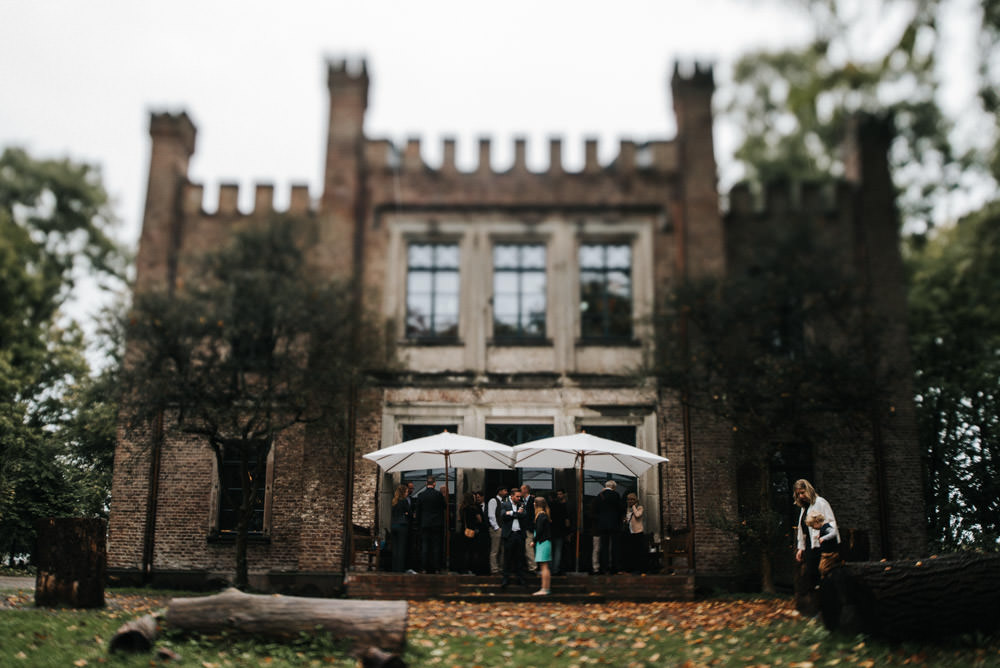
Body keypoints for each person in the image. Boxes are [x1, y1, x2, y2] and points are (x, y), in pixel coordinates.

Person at [794, 479, 840, 590]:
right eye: (798, 493)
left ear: (809, 490)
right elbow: (802, 529)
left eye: (803, 492)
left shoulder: (820, 502)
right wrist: (800, 548)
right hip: (810, 547)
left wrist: (825, 538)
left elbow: (831, 523)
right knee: (812, 577)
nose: (801, 496)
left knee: (825, 576)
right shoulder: (804, 508)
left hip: (823, 546)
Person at [592, 480, 624, 574]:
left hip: (602, 525)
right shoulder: (616, 495)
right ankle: (615, 567)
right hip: (614, 524)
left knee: (604, 546)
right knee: (615, 546)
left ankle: (604, 567)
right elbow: (620, 509)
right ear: (613, 487)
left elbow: (595, 510)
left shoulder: (599, 496)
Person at [416, 475, 446, 573]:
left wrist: (418, 524)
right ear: (434, 483)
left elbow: (418, 511)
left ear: (426, 484)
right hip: (437, 524)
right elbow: (444, 507)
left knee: (425, 546)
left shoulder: (421, 495)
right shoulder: (438, 495)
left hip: (425, 524)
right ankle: (436, 568)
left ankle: (424, 568)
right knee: (436, 546)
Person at [500, 487, 528, 588]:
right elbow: (503, 515)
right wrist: (516, 513)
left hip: (520, 535)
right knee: (507, 558)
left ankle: (520, 578)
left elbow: (524, 515)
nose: (519, 498)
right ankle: (505, 579)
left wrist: (511, 513)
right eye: (517, 497)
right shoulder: (505, 504)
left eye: (520, 497)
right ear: (511, 496)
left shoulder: (522, 504)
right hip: (509, 534)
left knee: (520, 557)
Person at [806, 510, 841, 577]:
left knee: (823, 568)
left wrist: (824, 538)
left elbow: (833, 533)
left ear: (816, 522)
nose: (813, 528)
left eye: (813, 526)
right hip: (825, 553)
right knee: (822, 568)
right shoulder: (823, 529)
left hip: (830, 553)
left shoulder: (826, 527)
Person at [532, 497, 553, 595]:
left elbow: (539, 531)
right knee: (545, 567)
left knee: (544, 567)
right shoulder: (544, 515)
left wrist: (534, 541)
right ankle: (546, 588)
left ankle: (544, 588)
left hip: (542, 543)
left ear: (536, 504)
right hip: (545, 542)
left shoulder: (540, 516)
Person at [459, 492, 482, 574]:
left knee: (465, 551)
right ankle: (473, 568)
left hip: (464, 531)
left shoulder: (462, 508)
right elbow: (479, 519)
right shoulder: (474, 508)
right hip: (472, 530)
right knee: (473, 551)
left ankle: (464, 568)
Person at [487, 486, 509, 575]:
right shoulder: (493, 500)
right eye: (505, 490)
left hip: (503, 528)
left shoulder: (505, 501)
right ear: (499, 491)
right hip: (496, 528)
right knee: (495, 550)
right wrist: (496, 527)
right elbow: (491, 515)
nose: (506, 492)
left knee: (503, 549)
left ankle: (501, 568)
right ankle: (494, 569)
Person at [623, 492, 646, 574]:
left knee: (639, 552)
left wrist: (633, 507)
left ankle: (640, 569)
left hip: (638, 532)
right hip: (630, 533)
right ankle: (632, 568)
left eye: (632, 499)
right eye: (629, 499)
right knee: (631, 551)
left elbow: (637, 515)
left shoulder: (640, 508)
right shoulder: (627, 509)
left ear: (635, 500)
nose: (630, 501)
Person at [548, 489, 570, 575]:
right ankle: (556, 569)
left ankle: (549, 568)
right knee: (558, 551)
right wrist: (567, 532)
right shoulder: (562, 506)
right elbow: (566, 520)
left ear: (550, 497)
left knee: (549, 551)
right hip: (560, 531)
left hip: (550, 531)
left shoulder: (548, 507)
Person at [389, 484, 410, 573]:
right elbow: (408, 512)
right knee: (401, 548)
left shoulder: (394, 501)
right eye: (406, 492)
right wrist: (406, 514)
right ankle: (400, 569)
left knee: (395, 548)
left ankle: (394, 568)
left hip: (393, 525)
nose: (407, 493)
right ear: (403, 492)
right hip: (402, 525)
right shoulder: (404, 501)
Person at [520, 484, 537, 572]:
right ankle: (528, 566)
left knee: (528, 547)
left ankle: (533, 567)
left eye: (521, 489)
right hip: (522, 528)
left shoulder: (533, 500)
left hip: (529, 528)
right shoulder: (522, 501)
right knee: (524, 548)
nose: (520, 491)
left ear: (526, 490)